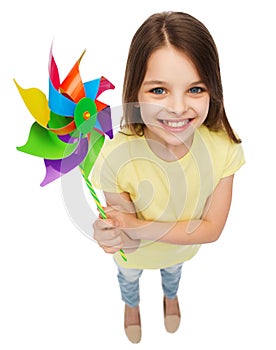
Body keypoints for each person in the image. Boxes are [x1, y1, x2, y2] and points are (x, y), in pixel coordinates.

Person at [91, 11, 245, 343]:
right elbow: (130, 241)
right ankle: (131, 305)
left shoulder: (223, 149)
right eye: (159, 90)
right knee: (128, 277)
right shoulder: (115, 155)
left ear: (213, 88)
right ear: (135, 91)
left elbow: (211, 229)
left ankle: (170, 296)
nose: (177, 107)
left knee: (173, 272)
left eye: (195, 89)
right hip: (135, 255)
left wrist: (132, 226)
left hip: (180, 252)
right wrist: (113, 232)